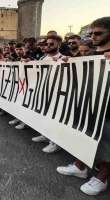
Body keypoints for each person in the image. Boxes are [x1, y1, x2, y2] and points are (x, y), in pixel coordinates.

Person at [57, 16, 110, 196]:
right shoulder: (93, 54)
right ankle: (80, 167)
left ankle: (101, 179)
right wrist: (69, 65)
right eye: (92, 33)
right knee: (82, 136)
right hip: (88, 105)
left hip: (107, 110)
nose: (93, 36)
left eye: (98, 33)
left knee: (106, 146)